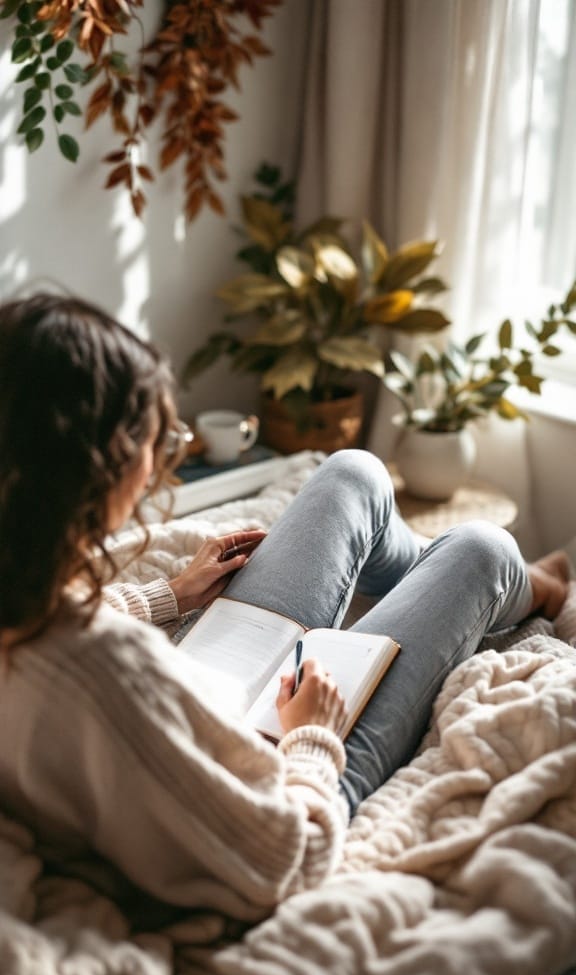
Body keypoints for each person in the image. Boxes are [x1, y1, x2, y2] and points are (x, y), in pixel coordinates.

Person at [0, 294, 570, 931]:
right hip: (275, 757)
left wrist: (171, 596)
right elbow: (279, 862)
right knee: (481, 549)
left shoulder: (24, 590)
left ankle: (425, 581)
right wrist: (313, 734)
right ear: (98, 466)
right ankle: (534, 588)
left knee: (353, 474)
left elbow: (68, 624)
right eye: (151, 439)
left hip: (207, 687)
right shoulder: (101, 665)